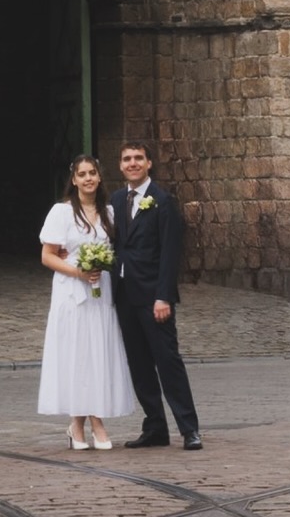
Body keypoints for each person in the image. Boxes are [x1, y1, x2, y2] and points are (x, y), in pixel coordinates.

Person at [36, 155, 135, 449]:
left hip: (100, 292)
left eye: (92, 173)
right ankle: (88, 423)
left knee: (97, 354)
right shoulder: (62, 212)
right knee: (77, 355)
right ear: (74, 180)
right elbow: (47, 256)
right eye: (82, 174)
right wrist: (78, 272)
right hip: (71, 292)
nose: (88, 178)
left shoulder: (109, 212)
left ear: (99, 177)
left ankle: (84, 423)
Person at [111, 140, 202, 450]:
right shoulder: (116, 200)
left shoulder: (163, 201)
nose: (133, 163)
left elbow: (170, 253)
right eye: (127, 159)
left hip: (154, 297)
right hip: (124, 295)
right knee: (139, 365)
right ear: (120, 165)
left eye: (138, 158)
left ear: (149, 163)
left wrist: (163, 296)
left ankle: (189, 428)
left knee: (168, 362)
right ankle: (155, 427)